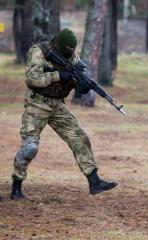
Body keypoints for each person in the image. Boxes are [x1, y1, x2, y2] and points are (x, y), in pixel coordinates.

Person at [10, 28, 118, 200]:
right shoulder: (39, 51)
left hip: (57, 105)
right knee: (30, 147)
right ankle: (16, 186)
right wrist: (57, 75)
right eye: (66, 51)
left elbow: (76, 77)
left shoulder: (72, 56)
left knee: (79, 138)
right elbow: (32, 79)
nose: (70, 54)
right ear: (58, 44)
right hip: (37, 104)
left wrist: (80, 86)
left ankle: (94, 181)